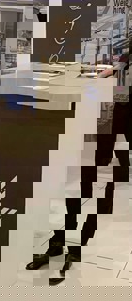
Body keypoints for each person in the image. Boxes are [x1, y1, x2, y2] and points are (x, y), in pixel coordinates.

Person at [25, 42, 130, 285]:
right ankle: (56, 243)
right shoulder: (116, 71)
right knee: (67, 197)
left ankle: (75, 249)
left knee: (92, 200)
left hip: (108, 152)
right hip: (85, 145)